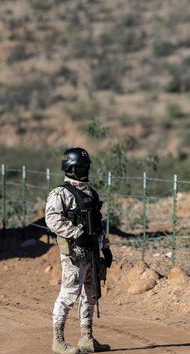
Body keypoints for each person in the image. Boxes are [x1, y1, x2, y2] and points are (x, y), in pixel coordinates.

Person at [45, 148, 113, 354]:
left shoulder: (91, 193)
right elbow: (52, 219)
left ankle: (86, 338)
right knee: (68, 295)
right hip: (74, 255)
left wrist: (105, 247)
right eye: (80, 168)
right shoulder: (60, 193)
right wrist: (76, 233)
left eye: (86, 167)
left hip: (92, 252)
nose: (84, 171)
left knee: (91, 295)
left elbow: (97, 225)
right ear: (70, 168)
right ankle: (58, 341)